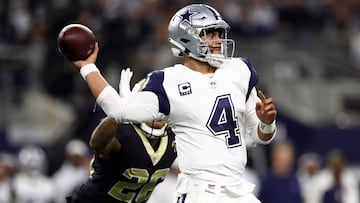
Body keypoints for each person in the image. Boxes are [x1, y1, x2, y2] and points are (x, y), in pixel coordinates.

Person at [69, 3, 277, 203]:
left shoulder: (239, 70)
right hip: (200, 192)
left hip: (237, 189)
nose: (217, 40)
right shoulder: (168, 81)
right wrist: (88, 68)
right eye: (210, 34)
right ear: (187, 39)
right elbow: (118, 110)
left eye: (219, 34)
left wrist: (267, 122)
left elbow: (260, 136)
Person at [66, 79, 177, 203]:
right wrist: (118, 113)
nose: (156, 113)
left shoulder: (176, 137)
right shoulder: (123, 131)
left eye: (162, 106)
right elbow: (97, 144)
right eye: (150, 106)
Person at [52, 139, 91, 203]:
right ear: (68, 156)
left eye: (79, 156)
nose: (77, 159)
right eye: (75, 156)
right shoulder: (60, 176)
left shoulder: (87, 174)